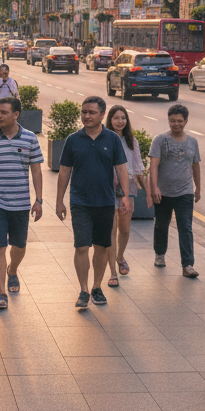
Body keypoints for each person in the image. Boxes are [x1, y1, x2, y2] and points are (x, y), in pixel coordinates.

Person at [55, 96, 130, 309]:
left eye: (91, 112)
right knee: (81, 246)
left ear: (102, 115)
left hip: (105, 201)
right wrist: (59, 201)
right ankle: (83, 290)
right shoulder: (73, 140)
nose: (86, 116)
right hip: (80, 202)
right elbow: (64, 172)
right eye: (84, 112)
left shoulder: (112, 139)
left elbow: (122, 168)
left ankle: (97, 286)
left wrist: (125, 195)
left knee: (101, 246)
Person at [0, 96, 44, 310]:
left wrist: (39, 200)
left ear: (16, 114)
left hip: (20, 202)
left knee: (19, 246)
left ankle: (12, 270)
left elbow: (37, 171)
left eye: (4, 112)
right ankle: (1, 292)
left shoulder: (30, 138)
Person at [149, 102, 201, 279]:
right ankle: (160, 254)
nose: (176, 124)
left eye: (179, 121)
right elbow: (153, 165)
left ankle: (187, 264)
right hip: (163, 192)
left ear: (186, 121)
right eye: (172, 121)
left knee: (185, 227)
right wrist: (154, 187)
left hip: (185, 192)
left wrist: (198, 187)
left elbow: (196, 165)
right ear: (168, 120)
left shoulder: (193, 142)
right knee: (161, 225)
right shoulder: (160, 140)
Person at [104, 105, 147, 287]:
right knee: (111, 229)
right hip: (107, 186)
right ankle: (113, 272)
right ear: (110, 120)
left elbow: (138, 167)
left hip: (127, 186)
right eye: (116, 118)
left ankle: (120, 256)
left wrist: (148, 192)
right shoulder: (104, 138)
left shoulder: (131, 141)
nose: (120, 121)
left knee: (125, 228)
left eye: (123, 118)